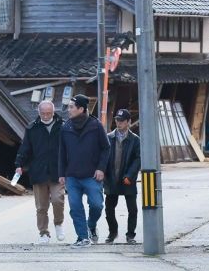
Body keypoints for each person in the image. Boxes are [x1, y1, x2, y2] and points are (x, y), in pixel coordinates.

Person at [58, 94, 110, 247]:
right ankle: (82, 237)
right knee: (75, 207)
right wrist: (61, 173)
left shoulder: (96, 125)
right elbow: (62, 152)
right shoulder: (65, 127)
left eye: (71, 107)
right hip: (72, 176)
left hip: (92, 175)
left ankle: (91, 225)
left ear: (81, 109)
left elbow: (106, 148)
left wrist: (101, 168)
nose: (69, 110)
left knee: (96, 205)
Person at [14, 101, 65, 244]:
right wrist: (19, 164)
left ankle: (58, 223)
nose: (46, 116)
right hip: (39, 171)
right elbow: (25, 148)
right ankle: (44, 232)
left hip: (57, 170)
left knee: (57, 199)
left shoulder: (63, 126)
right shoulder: (32, 128)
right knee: (41, 206)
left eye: (49, 113)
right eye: (43, 113)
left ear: (53, 112)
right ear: (39, 112)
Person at [104, 109, 140, 244]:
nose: (119, 123)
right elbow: (103, 157)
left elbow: (138, 160)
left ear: (129, 122)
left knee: (132, 209)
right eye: (117, 120)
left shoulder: (135, 140)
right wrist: (103, 173)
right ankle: (112, 233)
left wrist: (130, 175)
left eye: (122, 121)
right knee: (109, 209)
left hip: (127, 180)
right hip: (111, 178)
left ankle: (130, 235)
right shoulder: (109, 138)